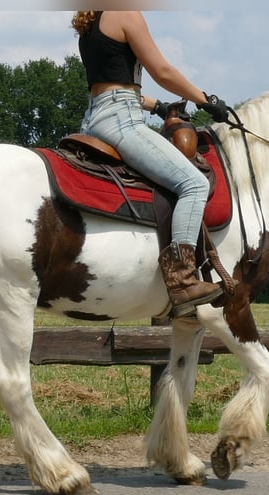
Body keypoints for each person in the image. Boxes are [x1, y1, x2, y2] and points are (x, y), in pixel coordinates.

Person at [71, 10, 229, 318]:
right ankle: (182, 280)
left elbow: (112, 82)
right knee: (193, 183)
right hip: (121, 119)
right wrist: (206, 100)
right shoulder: (125, 13)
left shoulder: (90, 23)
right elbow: (162, 70)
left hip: (95, 118)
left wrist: (157, 105)